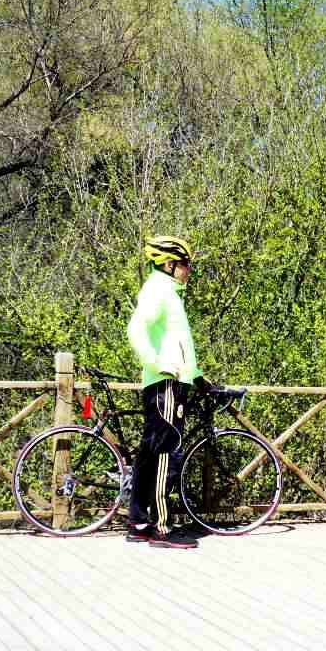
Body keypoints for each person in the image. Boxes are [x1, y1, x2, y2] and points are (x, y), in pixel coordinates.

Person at [126, 235, 213, 548]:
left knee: (150, 454)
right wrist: (159, 363)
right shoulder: (159, 291)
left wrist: (198, 377)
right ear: (168, 264)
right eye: (185, 263)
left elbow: (178, 343)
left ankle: (138, 522)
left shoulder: (168, 293)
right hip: (167, 384)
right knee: (167, 451)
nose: (189, 269)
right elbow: (135, 330)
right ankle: (162, 528)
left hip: (171, 381)